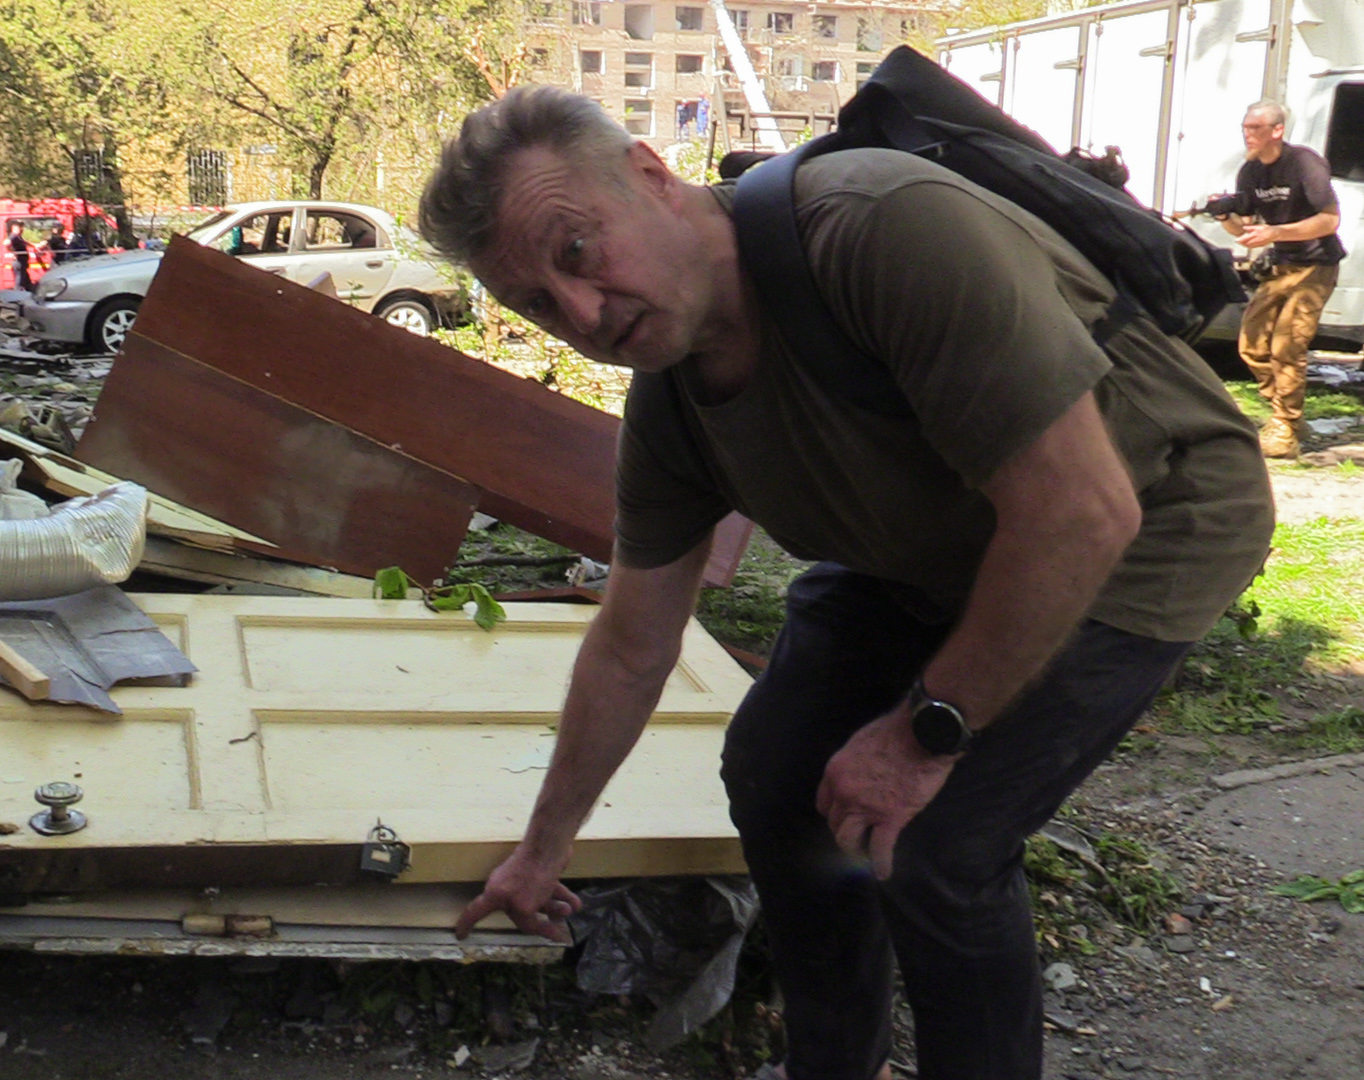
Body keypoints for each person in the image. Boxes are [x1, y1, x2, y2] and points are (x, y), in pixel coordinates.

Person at [419, 87, 1274, 1080]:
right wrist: (542, 849)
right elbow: (633, 640)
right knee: (773, 773)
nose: (581, 315)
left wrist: (920, 736)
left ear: (651, 177)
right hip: (935, 538)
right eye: (534, 304)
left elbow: (1082, 515)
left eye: (575, 253)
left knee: (942, 846)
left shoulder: (877, 232)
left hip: (1144, 521)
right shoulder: (675, 401)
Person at [1216, 99, 1346, 458]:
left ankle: (1285, 427)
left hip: (1316, 265)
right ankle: (1287, 413)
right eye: (1245, 127)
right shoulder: (1251, 173)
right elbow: (1242, 229)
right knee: (1252, 344)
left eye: (1256, 128)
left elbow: (1329, 220)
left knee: (1287, 345)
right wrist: (1224, 216)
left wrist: (1274, 233)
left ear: (1277, 131)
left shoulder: (1304, 163)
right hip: (1281, 266)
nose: (1248, 134)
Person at [6, 220, 34, 291]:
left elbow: (25, 242)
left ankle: (29, 291)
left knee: (26, 280)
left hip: (22, 262)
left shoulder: (18, 237)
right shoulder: (14, 236)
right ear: (14, 227)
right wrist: (12, 252)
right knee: (19, 281)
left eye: (22, 227)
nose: (22, 229)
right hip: (19, 262)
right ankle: (17, 295)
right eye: (20, 227)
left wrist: (35, 245)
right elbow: (7, 243)